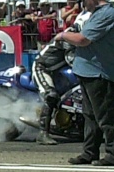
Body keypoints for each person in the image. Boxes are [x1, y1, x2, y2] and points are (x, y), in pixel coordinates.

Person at [60, 0, 114, 167]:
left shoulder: (107, 15)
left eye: (84, 1)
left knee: (106, 117)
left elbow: (83, 39)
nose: (82, 6)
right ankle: (89, 152)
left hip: (100, 74)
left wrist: (63, 36)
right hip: (90, 72)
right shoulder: (97, 15)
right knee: (90, 116)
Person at [28, 9, 91, 144]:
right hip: (43, 68)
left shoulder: (78, 36)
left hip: (57, 71)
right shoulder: (69, 37)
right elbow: (73, 59)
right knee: (51, 96)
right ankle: (42, 133)